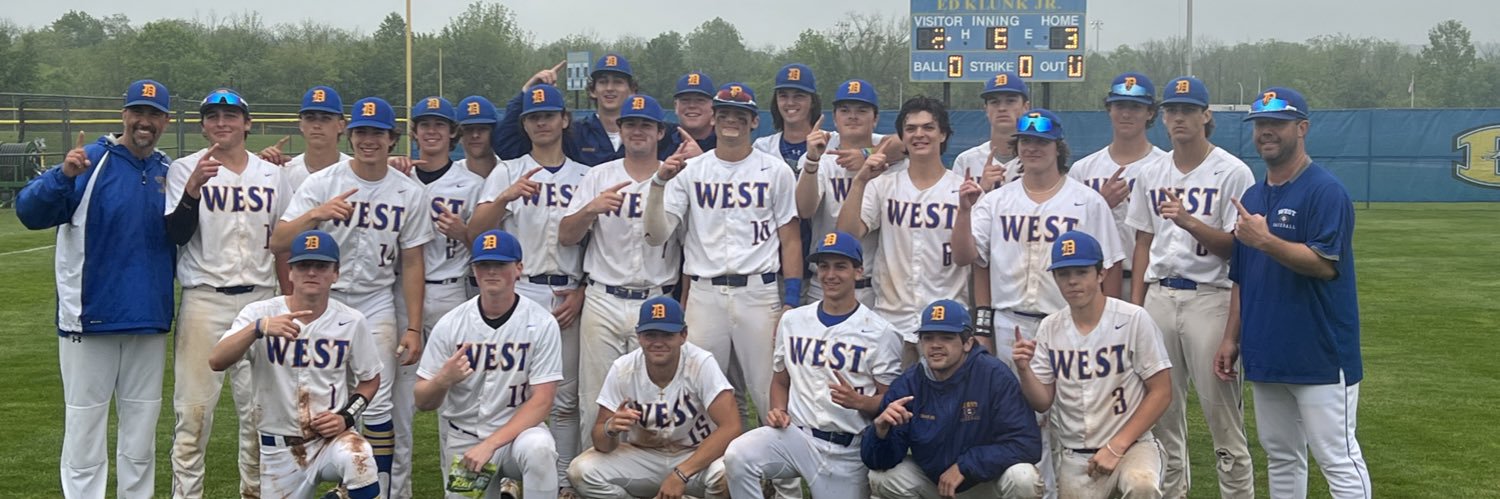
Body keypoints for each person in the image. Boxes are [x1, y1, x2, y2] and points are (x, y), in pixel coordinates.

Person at [17, 79, 175, 499]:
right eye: (138, 112)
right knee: (85, 430)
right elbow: (29, 213)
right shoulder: (89, 160)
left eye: (154, 114)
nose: (145, 122)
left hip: (149, 320)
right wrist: (62, 175)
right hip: (90, 320)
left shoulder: (166, 169)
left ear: (165, 120)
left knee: (141, 435)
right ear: (124, 114)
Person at [273, 96, 433, 497]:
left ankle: (374, 489)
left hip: (378, 299)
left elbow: (413, 263)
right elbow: (278, 241)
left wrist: (413, 325)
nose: (369, 140)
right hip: (323, 302)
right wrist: (317, 214)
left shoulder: (408, 192)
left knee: (377, 404)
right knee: (317, 401)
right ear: (351, 133)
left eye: (377, 133)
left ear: (392, 139)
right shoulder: (324, 182)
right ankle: (322, 482)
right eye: (362, 132)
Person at [1220, 86, 1370, 499]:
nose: (1266, 132)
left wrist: (1266, 240)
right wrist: (1231, 338)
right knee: (1281, 456)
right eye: (1260, 124)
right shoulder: (1253, 196)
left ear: (1302, 128)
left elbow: (1324, 264)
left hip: (1320, 351)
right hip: (1267, 350)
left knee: (1337, 458)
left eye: (1277, 124)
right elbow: (1241, 276)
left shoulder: (1325, 191)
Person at [1125, 76, 1256, 498]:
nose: (1178, 117)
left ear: (1206, 115)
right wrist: (1137, 309)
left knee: (1223, 420)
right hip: (1160, 296)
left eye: (1187, 109)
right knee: (1162, 417)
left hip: (1210, 298)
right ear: (1162, 117)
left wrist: (1189, 221)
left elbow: (1240, 249)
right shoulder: (1150, 172)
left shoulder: (1233, 171)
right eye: (1172, 110)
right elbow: (1142, 242)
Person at [643, 82, 803, 429]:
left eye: (740, 115)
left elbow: (790, 239)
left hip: (758, 292)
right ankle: (714, 478)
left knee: (767, 391)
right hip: (705, 293)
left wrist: (789, 298)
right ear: (714, 119)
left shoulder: (775, 170)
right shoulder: (691, 170)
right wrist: (657, 184)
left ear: (754, 121)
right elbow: (656, 235)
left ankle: (783, 481)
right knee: (703, 393)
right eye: (725, 114)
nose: (732, 120)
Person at [164, 88, 288, 499]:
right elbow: (176, 234)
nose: (222, 122)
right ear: (203, 126)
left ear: (247, 124)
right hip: (205, 299)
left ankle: (255, 493)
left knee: (259, 416)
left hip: (260, 298)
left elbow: (284, 242)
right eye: (213, 116)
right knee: (193, 413)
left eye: (231, 116)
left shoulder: (272, 174)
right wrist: (193, 191)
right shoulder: (185, 168)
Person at [472, 82, 591, 496]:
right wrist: (503, 197)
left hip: (568, 296)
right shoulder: (507, 170)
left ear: (563, 119)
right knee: (513, 391)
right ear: (524, 124)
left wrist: (584, 289)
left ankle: (561, 484)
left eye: (548, 115)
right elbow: (474, 232)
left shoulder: (586, 175)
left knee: (566, 397)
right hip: (520, 293)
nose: (541, 122)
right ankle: (510, 477)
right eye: (532, 116)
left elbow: (599, 244)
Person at [723, 231, 903, 499]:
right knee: (738, 456)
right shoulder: (793, 321)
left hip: (847, 450)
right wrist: (778, 410)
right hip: (797, 438)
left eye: (840, 266)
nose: (830, 274)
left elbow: (891, 400)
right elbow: (781, 381)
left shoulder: (881, 332)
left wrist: (860, 402)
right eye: (824, 266)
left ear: (858, 271)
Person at [208, 230, 383, 499]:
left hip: (331, 441)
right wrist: (258, 329)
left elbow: (371, 379)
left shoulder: (351, 321)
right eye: (303, 266)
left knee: (361, 461)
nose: (311, 273)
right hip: (279, 449)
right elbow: (217, 360)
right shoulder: (260, 314)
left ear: (335, 273)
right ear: (290, 272)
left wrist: (346, 417)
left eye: (321, 266)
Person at [559, 94, 685, 451]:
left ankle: (651, 479)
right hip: (604, 298)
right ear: (620, 129)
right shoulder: (599, 176)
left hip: (657, 299)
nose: (638, 130)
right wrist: (590, 210)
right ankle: (593, 480)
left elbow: (690, 248)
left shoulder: (676, 178)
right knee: (596, 399)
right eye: (631, 124)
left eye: (646, 124)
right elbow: (566, 236)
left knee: (658, 401)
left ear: (660, 131)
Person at [951, 108, 1125, 359]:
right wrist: (965, 211)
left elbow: (1111, 265)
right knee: (1008, 398)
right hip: (1007, 323)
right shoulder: (995, 201)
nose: (1032, 148)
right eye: (1025, 141)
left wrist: (1106, 324)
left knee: (1069, 397)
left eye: (1042, 141)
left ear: (1058, 147)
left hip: (1068, 320)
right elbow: (963, 256)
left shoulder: (1088, 201)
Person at [1012, 231, 1172, 499]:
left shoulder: (1133, 319)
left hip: (1133, 446)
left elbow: (1162, 391)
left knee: (1141, 484)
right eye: (1064, 274)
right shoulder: (1050, 327)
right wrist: (1024, 370)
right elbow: (1042, 402)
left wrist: (1116, 446)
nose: (1072, 281)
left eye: (1081, 271)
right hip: (1077, 457)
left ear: (1101, 274)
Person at [415, 229, 563, 499]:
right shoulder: (451, 324)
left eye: (500, 264)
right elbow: (422, 400)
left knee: (540, 448)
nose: (491, 272)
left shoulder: (541, 323)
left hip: (517, 436)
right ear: (474, 270)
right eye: (484, 265)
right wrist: (442, 380)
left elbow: (542, 402)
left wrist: (492, 445)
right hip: (466, 439)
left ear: (518, 268)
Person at [862, 300, 1044, 499]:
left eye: (946, 338)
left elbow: (1027, 444)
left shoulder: (994, 375)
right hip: (936, 484)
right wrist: (880, 433)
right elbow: (880, 461)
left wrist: (966, 466)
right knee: (882, 477)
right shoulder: (910, 382)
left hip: (985, 484)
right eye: (928, 338)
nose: (935, 345)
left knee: (1023, 478)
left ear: (968, 342)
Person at [835, 96, 970, 359]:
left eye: (928, 127)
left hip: (948, 321)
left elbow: (970, 259)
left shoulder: (962, 190)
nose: (919, 134)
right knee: (892, 399)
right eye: (911, 129)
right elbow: (847, 237)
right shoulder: (883, 185)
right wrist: (860, 181)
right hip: (891, 320)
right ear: (902, 137)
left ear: (942, 134)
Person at [567, 296, 739, 499]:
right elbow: (601, 442)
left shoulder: (700, 364)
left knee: (731, 470)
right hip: (643, 457)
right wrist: (610, 429)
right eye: (651, 335)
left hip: (695, 456)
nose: (658, 342)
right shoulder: (623, 369)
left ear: (682, 335)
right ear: (639, 337)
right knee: (581, 471)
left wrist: (680, 474)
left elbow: (731, 427)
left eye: (667, 335)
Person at [1067, 72, 1169, 301]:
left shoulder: (1165, 167)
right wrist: (1100, 204)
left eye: (1135, 107)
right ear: (1109, 110)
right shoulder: (1083, 169)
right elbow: (1068, 230)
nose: (1126, 113)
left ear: (1150, 112)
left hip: (1150, 281)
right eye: (1119, 105)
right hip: (1091, 281)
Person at [796, 79, 896, 305]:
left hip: (873, 285)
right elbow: (804, 209)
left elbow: (905, 143)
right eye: (845, 110)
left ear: (876, 118)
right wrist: (812, 159)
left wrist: (865, 152)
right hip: (823, 281)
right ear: (835, 117)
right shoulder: (822, 151)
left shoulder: (887, 150)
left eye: (862, 110)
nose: (853, 116)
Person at [495, 54, 637, 165]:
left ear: (632, 90)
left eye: (618, 82)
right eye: (603, 82)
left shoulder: (646, 134)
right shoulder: (574, 133)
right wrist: (526, 92)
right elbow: (506, 146)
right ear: (593, 90)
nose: (610, 88)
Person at [260, 85, 352, 191]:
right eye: (310, 118)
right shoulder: (284, 172)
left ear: (341, 125)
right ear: (301, 125)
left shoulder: (355, 172)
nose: (317, 125)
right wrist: (261, 168)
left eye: (325, 118)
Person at [952, 71, 1028, 193]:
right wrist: (981, 189)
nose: (1002, 108)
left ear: (1026, 107)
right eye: (994, 102)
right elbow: (957, 210)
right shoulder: (966, 161)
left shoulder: (1036, 159)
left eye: (1010, 101)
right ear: (986, 109)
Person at [754, 63, 820, 169]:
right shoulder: (762, 147)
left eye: (799, 96)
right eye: (783, 96)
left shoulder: (832, 142)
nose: (790, 103)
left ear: (812, 102)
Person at [660, 72, 718, 159]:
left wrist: (701, 159)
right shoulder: (661, 139)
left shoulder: (724, 142)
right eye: (685, 100)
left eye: (700, 100)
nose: (692, 105)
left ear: (713, 107)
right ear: (676, 106)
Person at [455, 95, 507, 181]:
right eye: (468, 129)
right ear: (458, 135)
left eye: (482, 129)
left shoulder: (512, 172)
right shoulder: (448, 176)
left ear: (495, 132)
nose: (475, 135)